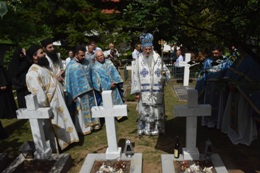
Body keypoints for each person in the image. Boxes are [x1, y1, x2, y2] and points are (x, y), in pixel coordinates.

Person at [26, 44, 79, 150]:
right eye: (41, 53)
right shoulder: (32, 73)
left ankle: (68, 140)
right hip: (50, 104)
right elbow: (38, 94)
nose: (44, 54)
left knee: (63, 121)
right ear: (34, 56)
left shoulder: (44, 67)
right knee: (55, 124)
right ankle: (58, 145)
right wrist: (45, 108)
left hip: (58, 101)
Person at [131, 33, 171, 136]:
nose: (148, 51)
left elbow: (166, 72)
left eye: (149, 49)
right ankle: (145, 128)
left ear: (152, 48)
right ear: (142, 48)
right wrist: (137, 91)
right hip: (144, 91)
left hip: (157, 90)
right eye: (146, 49)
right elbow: (135, 76)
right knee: (145, 109)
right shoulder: (138, 60)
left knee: (157, 109)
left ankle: (158, 128)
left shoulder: (158, 58)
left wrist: (164, 75)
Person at [65, 46, 100, 135]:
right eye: (81, 55)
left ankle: (94, 124)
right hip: (79, 93)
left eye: (84, 55)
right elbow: (68, 81)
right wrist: (71, 95)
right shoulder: (71, 66)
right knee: (81, 112)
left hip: (90, 90)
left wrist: (95, 85)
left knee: (92, 107)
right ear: (76, 55)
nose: (83, 57)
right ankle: (85, 128)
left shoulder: (87, 62)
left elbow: (92, 74)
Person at [195, 45, 233, 128]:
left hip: (220, 88)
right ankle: (208, 121)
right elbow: (203, 74)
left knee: (219, 105)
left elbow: (230, 73)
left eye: (216, 53)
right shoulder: (208, 61)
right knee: (208, 104)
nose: (214, 55)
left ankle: (218, 123)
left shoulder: (226, 61)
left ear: (221, 52)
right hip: (209, 87)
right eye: (213, 53)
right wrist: (200, 85)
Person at [91, 50, 125, 120]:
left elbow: (115, 72)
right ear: (96, 58)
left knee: (117, 101)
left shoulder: (109, 62)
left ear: (103, 55)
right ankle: (109, 117)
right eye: (98, 56)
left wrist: (117, 81)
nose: (101, 57)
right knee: (108, 105)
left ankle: (120, 115)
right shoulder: (95, 67)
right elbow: (97, 81)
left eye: (101, 55)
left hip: (114, 87)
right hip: (105, 90)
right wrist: (109, 85)